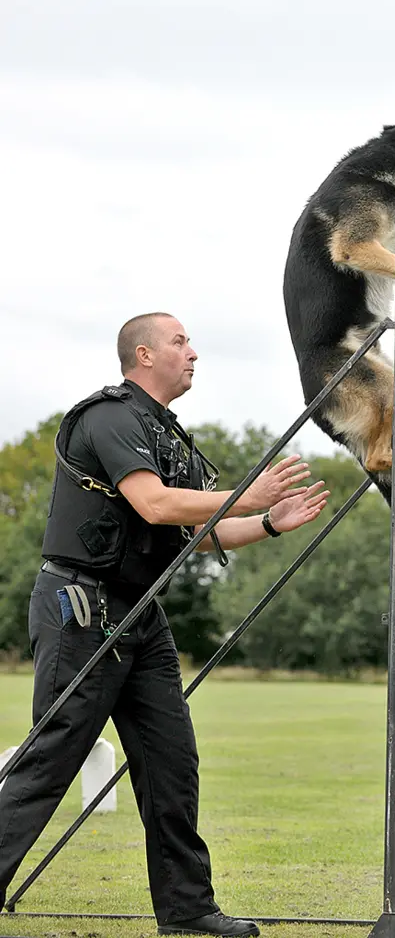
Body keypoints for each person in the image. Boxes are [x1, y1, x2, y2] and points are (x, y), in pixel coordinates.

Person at [0, 312, 330, 937]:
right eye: (181, 342)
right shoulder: (108, 417)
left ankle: (186, 909)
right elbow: (153, 502)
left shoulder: (168, 435)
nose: (194, 353)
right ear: (144, 354)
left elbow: (197, 532)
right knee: (52, 759)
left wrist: (267, 522)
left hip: (140, 615)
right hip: (81, 608)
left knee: (171, 762)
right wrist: (247, 496)